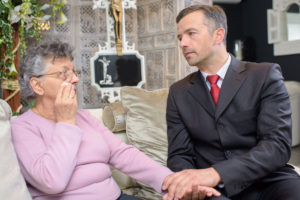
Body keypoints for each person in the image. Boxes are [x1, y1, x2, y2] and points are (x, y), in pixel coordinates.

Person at [10, 41, 220, 200]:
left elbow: (123, 154)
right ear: (37, 86)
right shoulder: (22, 127)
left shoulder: (83, 117)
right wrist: (65, 122)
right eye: (63, 74)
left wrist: (170, 181)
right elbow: (51, 181)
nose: (74, 79)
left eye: (74, 72)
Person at [162, 4, 300, 200]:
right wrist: (193, 185)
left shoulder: (264, 75)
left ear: (218, 35)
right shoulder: (178, 92)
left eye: (191, 33)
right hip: (213, 190)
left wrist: (216, 173)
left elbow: (276, 145)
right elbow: (179, 155)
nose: (182, 43)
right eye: (179, 37)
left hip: (269, 180)